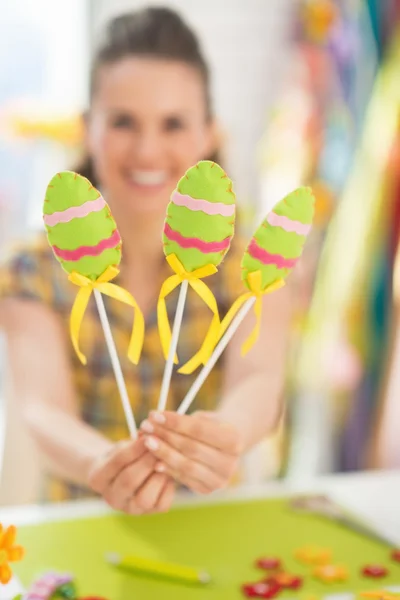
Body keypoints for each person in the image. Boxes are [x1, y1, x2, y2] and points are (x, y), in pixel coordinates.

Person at [0, 7, 291, 514]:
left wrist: (229, 434)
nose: (148, 149)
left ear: (209, 135)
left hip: (211, 526)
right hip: (80, 528)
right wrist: (102, 464)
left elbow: (261, 383)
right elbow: (41, 406)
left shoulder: (253, 267)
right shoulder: (33, 269)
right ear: (87, 129)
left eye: (173, 123)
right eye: (123, 122)